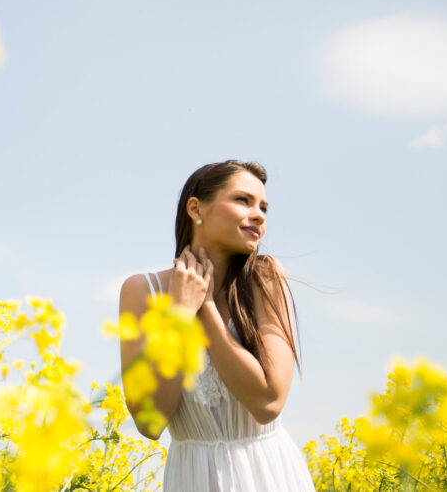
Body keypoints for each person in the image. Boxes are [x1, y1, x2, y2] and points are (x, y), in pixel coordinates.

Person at [118, 160, 315, 491]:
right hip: (193, 479)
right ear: (196, 208)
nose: (259, 214)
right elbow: (149, 423)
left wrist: (204, 307)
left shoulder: (265, 278)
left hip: (269, 476)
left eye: (263, 207)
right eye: (243, 200)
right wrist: (180, 315)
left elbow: (268, 403)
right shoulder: (142, 291)